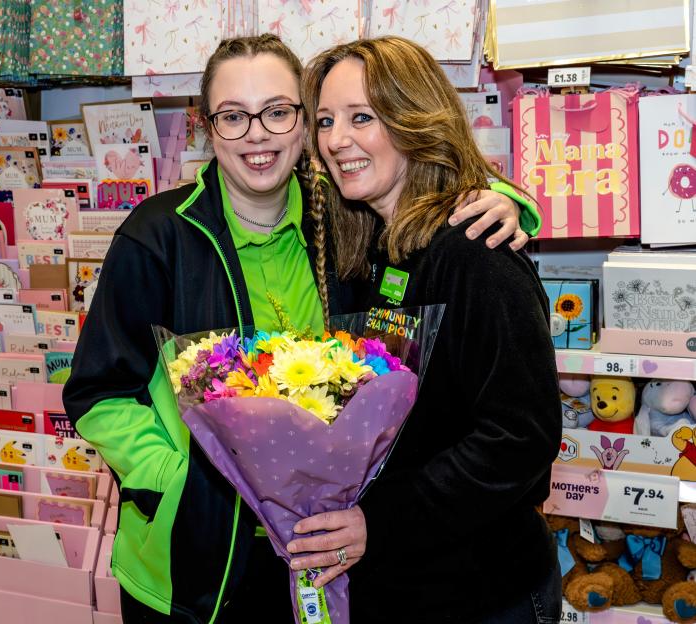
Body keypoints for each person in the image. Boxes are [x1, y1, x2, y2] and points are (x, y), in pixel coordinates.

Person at [63, 35, 537, 623]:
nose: (257, 134)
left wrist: (505, 199)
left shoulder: (344, 220)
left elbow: (427, 199)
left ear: (300, 125)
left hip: (325, 555)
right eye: (233, 116)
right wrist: (181, 480)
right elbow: (97, 391)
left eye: (278, 111)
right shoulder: (157, 236)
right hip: (200, 559)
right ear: (207, 127)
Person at [286, 37, 562, 623]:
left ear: (414, 120)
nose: (337, 141)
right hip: (405, 583)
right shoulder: (367, 246)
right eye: (327, 121)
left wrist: (379, 521)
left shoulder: (474, 252)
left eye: (362, 117)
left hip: (484, 593)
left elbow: (520, 440)